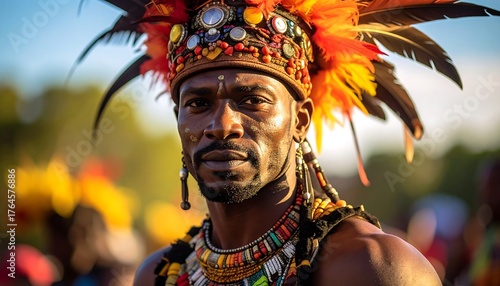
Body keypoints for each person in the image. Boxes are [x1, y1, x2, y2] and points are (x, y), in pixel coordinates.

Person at [76, 0, 499, 285]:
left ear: (300, 120)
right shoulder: (160, 274)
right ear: (178, 120)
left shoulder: (376, 268)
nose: (222, 125)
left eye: (252, 100)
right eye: (200, 103)